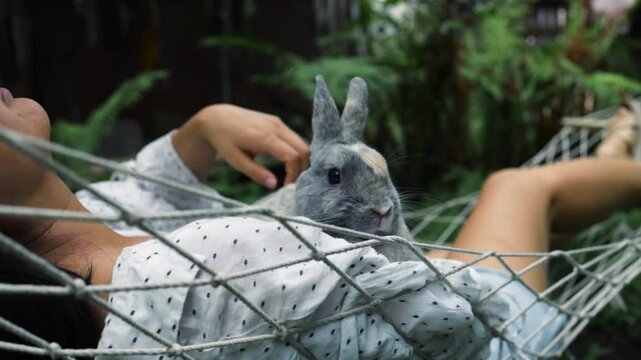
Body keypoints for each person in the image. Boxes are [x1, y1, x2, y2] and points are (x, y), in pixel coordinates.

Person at [0, 85, 640, 359]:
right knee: (521, 187)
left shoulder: (77, 262)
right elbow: (454, 325)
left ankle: (614, 148)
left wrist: (198, 132)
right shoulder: (214, 267)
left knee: (528, 222)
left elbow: (135, 192)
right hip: (486, 335)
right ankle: (625, 151)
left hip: (409, 309)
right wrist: (441, 265)